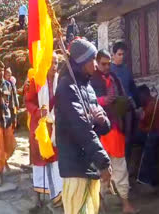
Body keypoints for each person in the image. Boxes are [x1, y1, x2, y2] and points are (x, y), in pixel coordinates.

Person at [55, 39, 111, 214]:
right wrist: (103, 162)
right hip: (75, 166)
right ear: (81, 62)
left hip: (88, 164)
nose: (95, 65)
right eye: (92, 60)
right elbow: (81, 129)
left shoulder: (88, 88)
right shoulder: (67, 87)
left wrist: (103, 121)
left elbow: (101, 125)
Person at [91, 49, 136, 213]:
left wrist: (121, 102)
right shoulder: (91, 80)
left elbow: (123, 97)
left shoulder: (115, 78)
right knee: (101, 170)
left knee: (120, 167)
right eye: (103, 64)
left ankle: (125, 204)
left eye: (108, 64)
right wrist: (102, 100)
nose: (106, 67)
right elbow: (86, 102)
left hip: (116, 129)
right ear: (97, 62)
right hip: (99, 133)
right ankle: (100, 206)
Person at [25, 53, 63, 208]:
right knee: (39, 159)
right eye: (52, 63)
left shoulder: (60, 80)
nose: (54, 66)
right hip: (40, 125)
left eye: (56, 63)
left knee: (55, 159)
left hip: (55, 125)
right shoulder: (36, 81)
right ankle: (38, 196)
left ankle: (57, 195)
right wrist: (37, 111)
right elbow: (28, 101)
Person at [111, 41, 142, 164]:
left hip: (127, 109)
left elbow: (133, 88)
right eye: (119, 54)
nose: (121, 57)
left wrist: (139, 106)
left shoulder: (126, 70)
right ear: (113, 55)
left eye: (123, 54)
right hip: (114, 111)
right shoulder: (110, 70)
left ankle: (127, 169)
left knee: (128, 139)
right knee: (116, 138)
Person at [135, 85, 159, 187]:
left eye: (140, 96)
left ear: (145, 95)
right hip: (152, 132)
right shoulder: (147, 104)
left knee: (150, 142)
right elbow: (142, 126)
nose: (139, 99)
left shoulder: (152, 105)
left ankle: (147, 178)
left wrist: (143, 126)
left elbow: (146, 125)